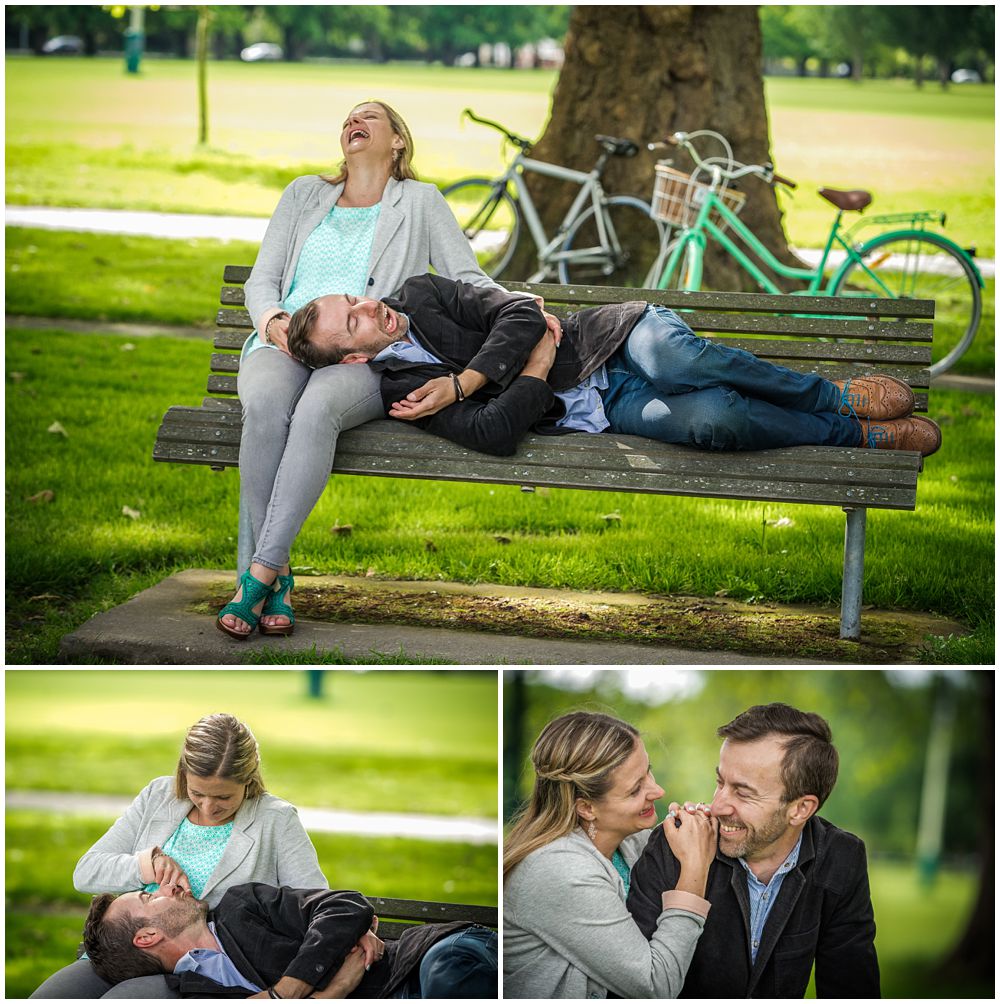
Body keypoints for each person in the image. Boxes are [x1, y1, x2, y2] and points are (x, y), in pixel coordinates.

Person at [218, 99, 552, 640]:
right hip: (284, 341)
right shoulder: (304, 194)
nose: (355, 121)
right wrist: (274, 320)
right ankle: (271, 580)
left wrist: (520, 302)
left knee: (317, 410)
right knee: (266, 407)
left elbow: (465, 275)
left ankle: (257, 577)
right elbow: (262, 281)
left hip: (366, 354)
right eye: (350, 115)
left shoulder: (418, 201)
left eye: (370, 115)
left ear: (397, 140)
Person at [285, 274, 942, 459]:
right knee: (714, 420)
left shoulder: (423, 293)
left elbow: (516, 311)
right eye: (357, 321)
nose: (372, 307)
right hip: (599, 411)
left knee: (681, 362)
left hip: (613, 339)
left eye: (357, 298)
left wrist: (468, 381)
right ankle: (854, 435)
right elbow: (492, 435)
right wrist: (535, 369)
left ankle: (832, 395)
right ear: (356, 355)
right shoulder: (403, 388)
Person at [31, 713, 326, 999]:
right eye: (198, 792)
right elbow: (86, 872)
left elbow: (315, 901)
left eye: (224, 797)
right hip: (125, 954)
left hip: (203, 970)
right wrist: (148, 865)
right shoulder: (159, 796)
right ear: (183, 773)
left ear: (248, 780)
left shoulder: (275, 819)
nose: (209, 807)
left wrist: (350, 931)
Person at [627, 702, 881, 998]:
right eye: (720, 782)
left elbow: (851, 988)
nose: (718, 805)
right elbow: (632, 987)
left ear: (800, 809)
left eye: (743, 793)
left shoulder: (841, 858)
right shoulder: (674, 844)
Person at [503, 711, 717, 999]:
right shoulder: (559, 870)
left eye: (648, 771)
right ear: (587, 807)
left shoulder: (627, 842)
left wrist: (697, 825)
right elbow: (655, 986)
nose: (657, 790)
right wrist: (694, 869)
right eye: (635, 790)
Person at [82, 881, 497, 999]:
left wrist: (288, 990)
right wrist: (330, 993)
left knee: (452, 978)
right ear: (147, 936)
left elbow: (344, 906)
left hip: (425, 958)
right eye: (148, 896)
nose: (165, 888)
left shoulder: (241, 905)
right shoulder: (196, 992)